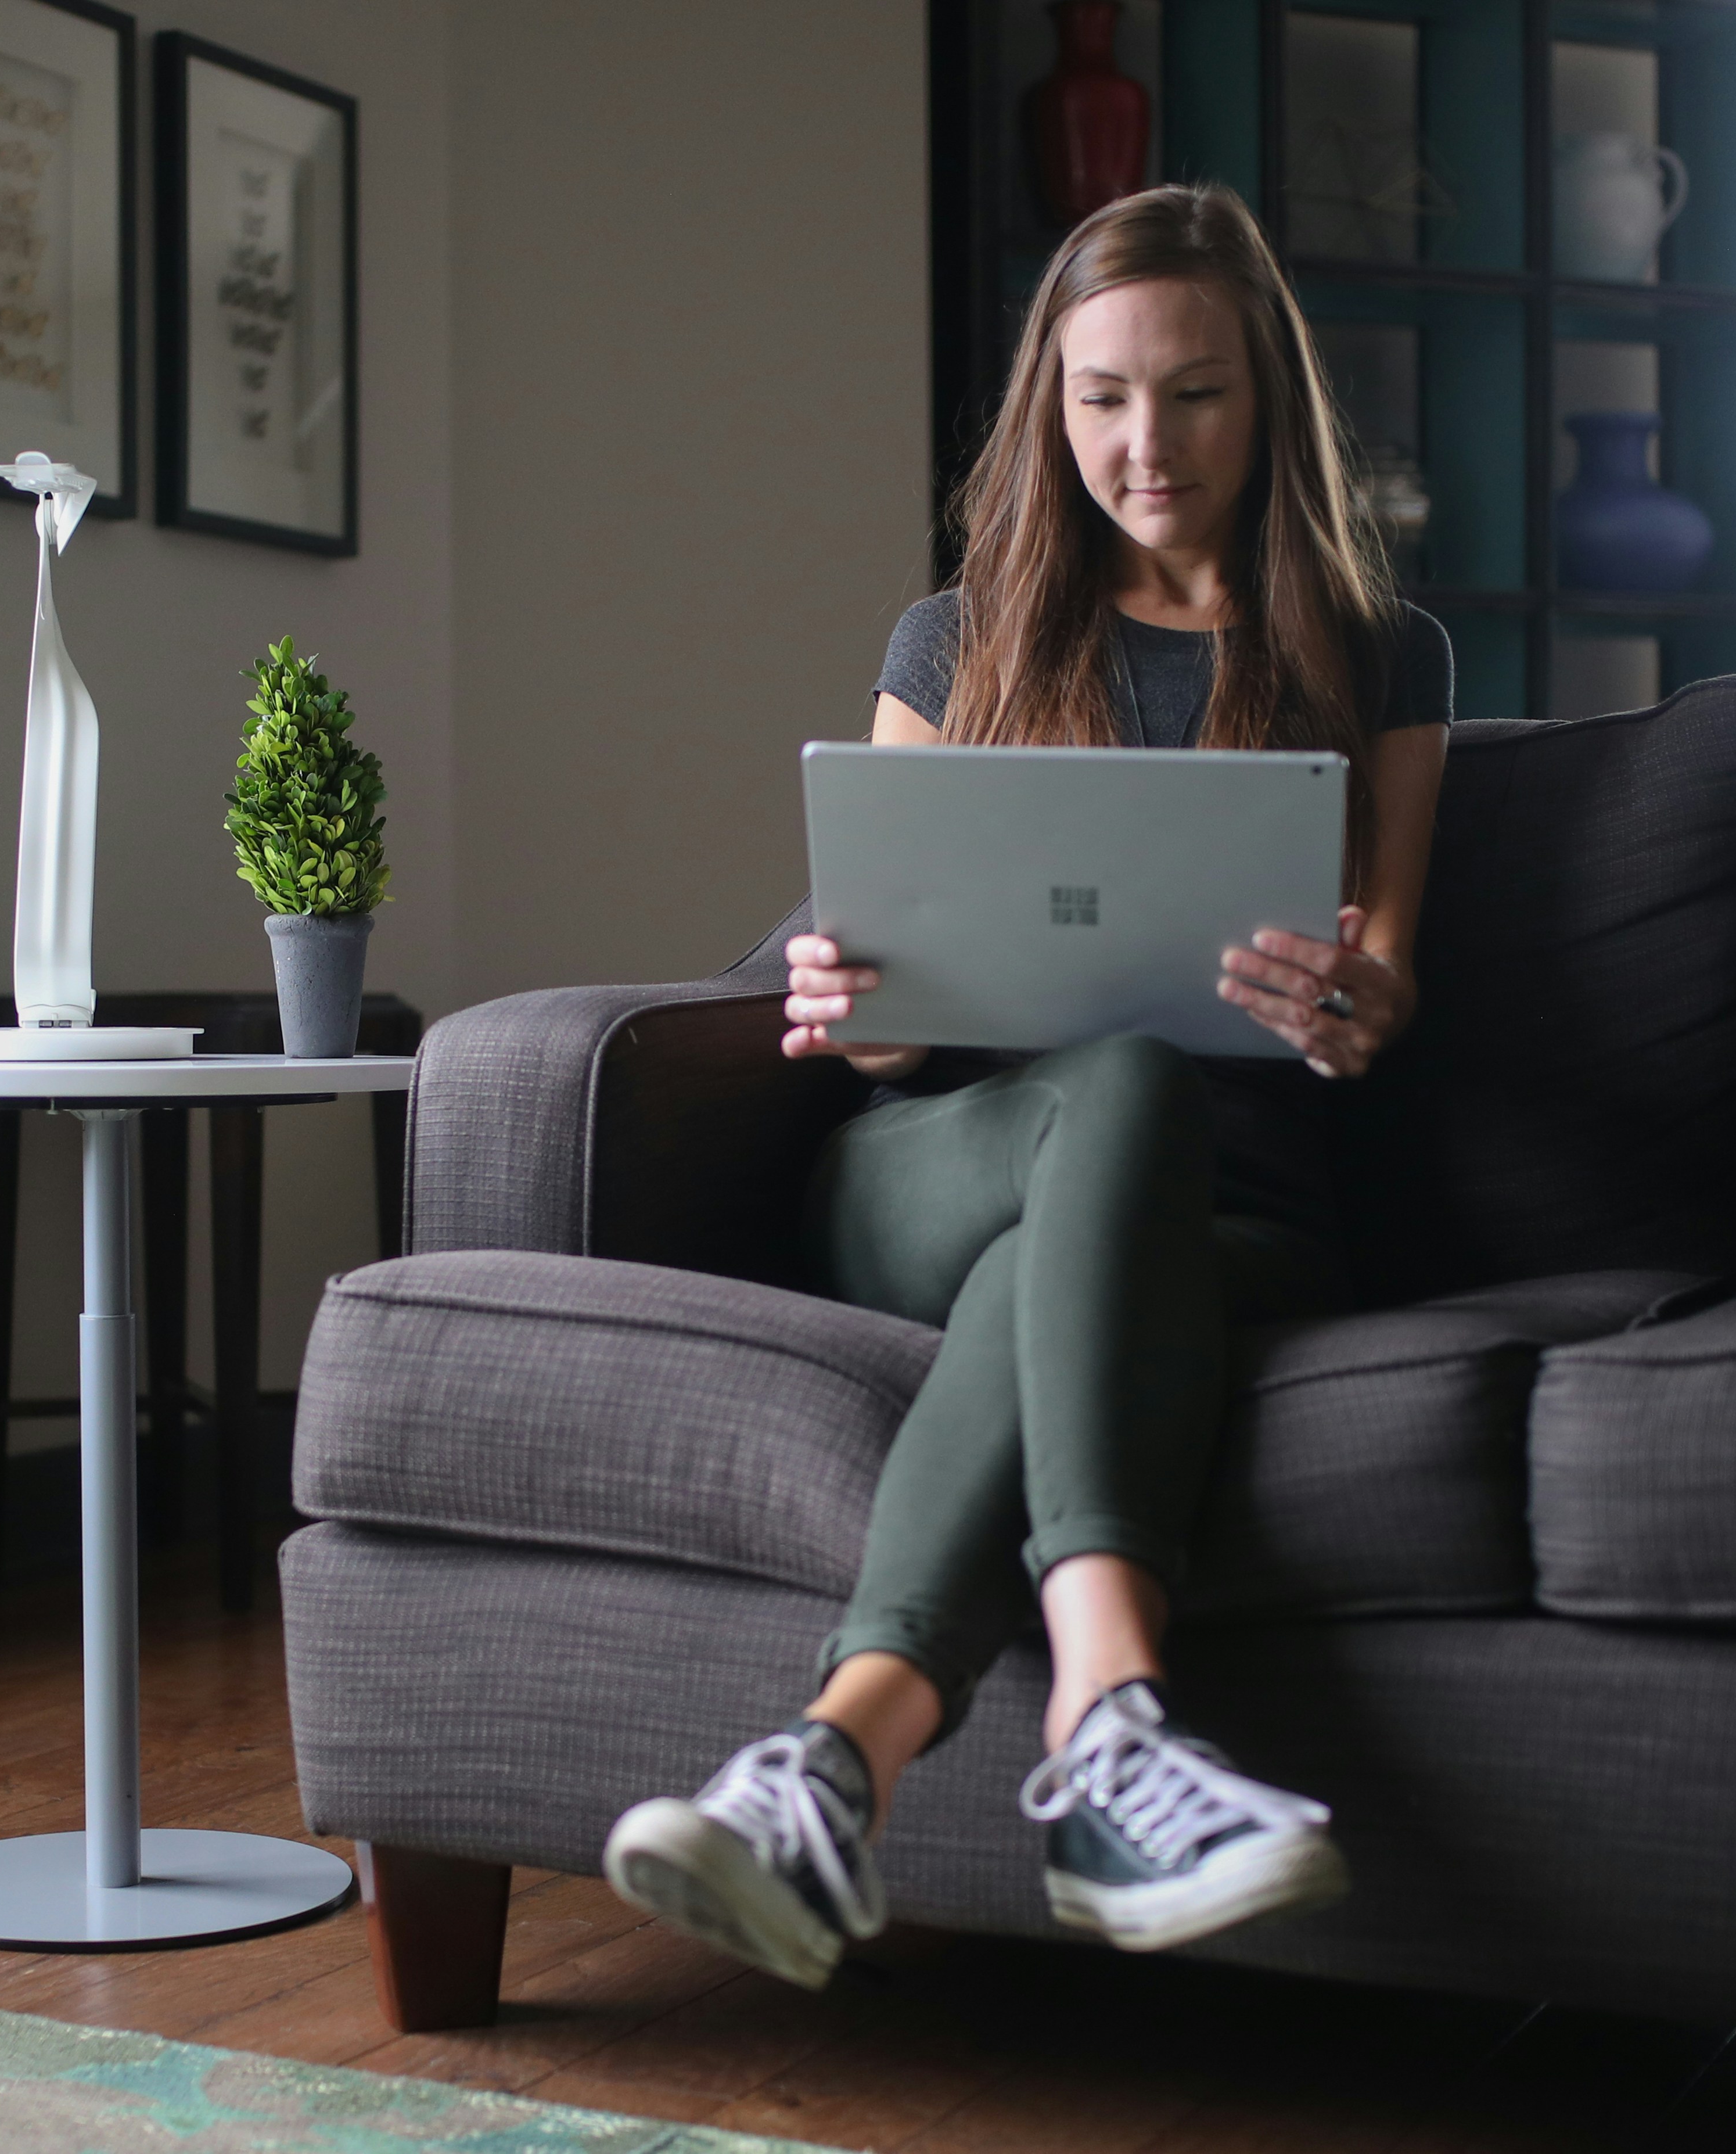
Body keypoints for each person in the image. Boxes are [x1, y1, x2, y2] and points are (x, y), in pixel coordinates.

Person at [598, 182, 1453, 1991]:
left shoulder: (1382, 656)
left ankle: (830, 1768)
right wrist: (863, 1006)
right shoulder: (956, 638)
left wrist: (1355, 1003)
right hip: (938, 1163)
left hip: (1238, 1217)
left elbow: (1387, 978)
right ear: (1049, 411)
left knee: (1108, 1154)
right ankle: (1114, 1722)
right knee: (1109, 1082)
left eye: (1198, 393)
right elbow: (890, 1006)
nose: (1149, 445)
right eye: (1105, 399)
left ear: (1267, 398)